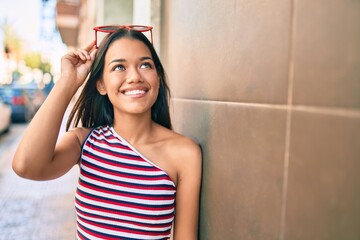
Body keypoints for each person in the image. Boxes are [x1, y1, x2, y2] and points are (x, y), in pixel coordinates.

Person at [12, 26, 202, 240]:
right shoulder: (84, 142)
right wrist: (68, 81)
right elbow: (25, 166)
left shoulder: (185, 153)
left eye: (145, 65)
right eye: (119, 67)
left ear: (157, 76)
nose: (134, 77)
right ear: (101, 84)